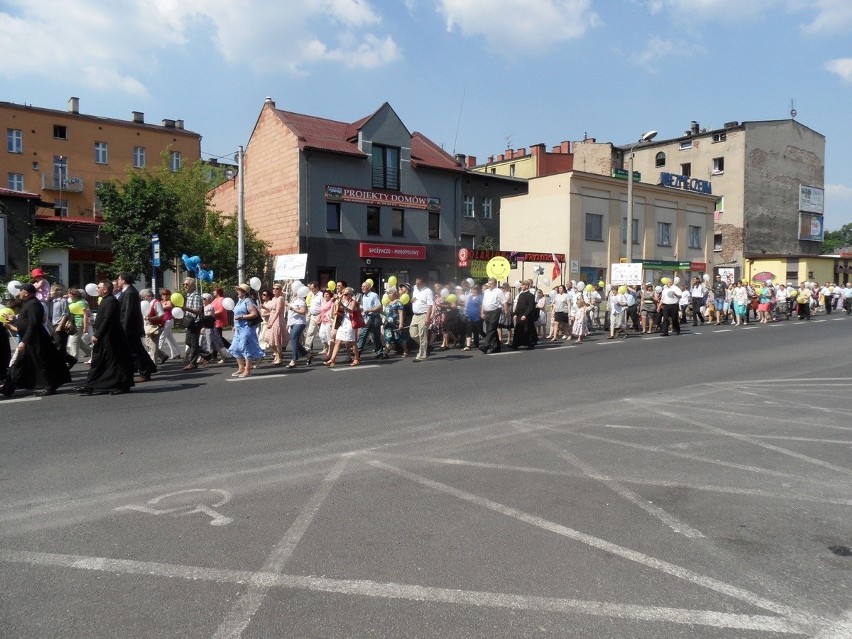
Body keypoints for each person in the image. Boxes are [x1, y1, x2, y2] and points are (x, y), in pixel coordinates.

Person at [0, 283, 72, 397]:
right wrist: (14, 319)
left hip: (36, 340)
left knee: (42, 363)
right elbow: (25, 321)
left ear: (26, 292)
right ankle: (8, 388)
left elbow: (34, 324)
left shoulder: (33, 304)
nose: (19, 293)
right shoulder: (28, 303)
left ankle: (50, 386)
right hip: (30, 339)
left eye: (21, 291)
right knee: (19, 364)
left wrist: (24, 341)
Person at [77, 280, 135, 395]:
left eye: (99, 287)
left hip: (112, 337)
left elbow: (107, 319)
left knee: (116, 362)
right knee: (98, 361)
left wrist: (97, 334)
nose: (97, 289)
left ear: (105, 289)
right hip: (105, 336)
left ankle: (122, 385)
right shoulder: (106, 300)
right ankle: (90, 385)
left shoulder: (111, 301)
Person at [117, 272, 157, 383]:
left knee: (136, 351)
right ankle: (148, 368)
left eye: (119, 279)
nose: (118, 281)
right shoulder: (127, 292)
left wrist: (124, 329)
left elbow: (129, 312)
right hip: (130, 327)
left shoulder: (130, 292)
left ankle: (145, 372)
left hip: (131, 328)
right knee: (137, 350)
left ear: (124, 280)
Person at [229, 284, 265, 377]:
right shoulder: (239, 301)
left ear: (244, 292)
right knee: (236, 348)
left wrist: (242, 317)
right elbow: (235, 315)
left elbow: (254, 314)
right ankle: (241, 368)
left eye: (239, 290)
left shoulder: (248, 301)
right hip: (238, 329)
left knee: (246, 348)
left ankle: (247, 370)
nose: (237, 291)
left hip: (246, 328)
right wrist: (235, 325)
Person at [325, 287, 360, 367]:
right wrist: (338, 313)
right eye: (344, 294)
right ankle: (333, 359)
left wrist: (342, 306)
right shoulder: (344, 301)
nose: (344, 295)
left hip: (350, 324)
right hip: (343, 323)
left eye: (346, 294)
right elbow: (344, 314)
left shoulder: (353, 302)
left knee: (352, 342)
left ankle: (357, 358)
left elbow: (351, 311)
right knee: (337, 341)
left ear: (351, 295)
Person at [180, 277, 209, 370]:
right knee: (188, 342)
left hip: (195, 322)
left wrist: (186, 309)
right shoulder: (189, 295)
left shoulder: (196, 296)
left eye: (186, 284)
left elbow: (198, 311)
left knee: (193, 343)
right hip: (190, 321)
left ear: (193, 286)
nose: (185, 286)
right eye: (183, 284)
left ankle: (193, 363)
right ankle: (207, 355)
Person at [356, 280, 383, 358]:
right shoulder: (363, 296)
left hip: (374, 317)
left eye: (364, 286)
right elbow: (363, 308)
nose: (362, 288)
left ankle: (379, 352)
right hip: (366, 317)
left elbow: (378, 306)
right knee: (362, 334)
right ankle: (358, 352)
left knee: (375, 336)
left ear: (369, 287)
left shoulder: (374, 295)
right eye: (362, 286)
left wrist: (369, 310)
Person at [410, 276, 434, 361]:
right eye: (416, 283)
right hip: (415, 315)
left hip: (423, 314)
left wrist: (428, 317)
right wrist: (412, 300)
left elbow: (429, 304)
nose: (417, 284)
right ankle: (426, 346)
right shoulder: (415, 289)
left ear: (423, 283)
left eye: (419, 283)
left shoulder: (428, 291)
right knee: (413, 334)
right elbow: (414, 300)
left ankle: (422, 355)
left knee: (422, 335)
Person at [140, 288, 167, 365]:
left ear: (148, 296)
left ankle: (153, 363)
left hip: (155, 326)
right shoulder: (147, 303)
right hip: (148, 326)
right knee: (148, 344)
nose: (143, 299)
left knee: (153, 345)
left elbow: (161, 315)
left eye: (143, 297)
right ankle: (163, 356)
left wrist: (150, 318)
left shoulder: (156, 303)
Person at [66, 288, 92, 362]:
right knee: (79, 342)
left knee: (74, 342)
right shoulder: (73, 301)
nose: (68, 295)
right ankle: (93, 354)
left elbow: (85, 315)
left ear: (75, 295)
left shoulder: (82, 302)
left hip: (79, 324)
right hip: (73, 324)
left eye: (69, 293)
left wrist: (85, 327)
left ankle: (73, 359)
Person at [264, 283, 287, 365]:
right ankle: (278, 354)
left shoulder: (280, 298)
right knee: (268, 338)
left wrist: (271, 322)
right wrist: (263, 307)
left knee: (277, 341)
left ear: (280, 290)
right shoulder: (273, 298)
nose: (274, 290)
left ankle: (279, 357)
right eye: (273, 288)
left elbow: (277, 312)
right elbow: (271, 310)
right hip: (272, 319)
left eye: (277, 289)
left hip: (277, 320)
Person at [479, 278, 504, 354]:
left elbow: (504, 301)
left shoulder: (498, 291)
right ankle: (497, 347)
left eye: (491, 284)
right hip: (487, 312)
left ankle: (485, 346)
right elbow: (484, 302)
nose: (489, 285)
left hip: (495, 311)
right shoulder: (486, 291)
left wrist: (506, 312)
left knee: (491, 328)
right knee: (491, 329)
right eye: (488, 283)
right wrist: (482, 312)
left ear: (495, 284)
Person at [511, 279, 537, 349]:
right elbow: (518, 305)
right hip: (519, 315)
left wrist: (525, 315)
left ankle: (530, 344)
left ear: (526, 286)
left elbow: (530, 307)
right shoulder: (521, 295)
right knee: (518, 329)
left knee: (527, 330)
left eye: (523, 285)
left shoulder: (530, 295)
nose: (521, 286)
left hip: (527, 316)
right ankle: (515, 344)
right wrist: (515, 314)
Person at [286, 289, 309, 367]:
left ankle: (294, 360)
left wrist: (292, 308)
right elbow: (290, 314)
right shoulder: (293, 300)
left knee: (294, 340)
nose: (293, 292)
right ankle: (307, 355)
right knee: (294, 340)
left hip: (299, 323)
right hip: (292, 323)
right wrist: (288, 323)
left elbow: (303, 312)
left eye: (294, 291)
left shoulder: (301, 300)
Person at [157, 289, 182, 360]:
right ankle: (177, 353)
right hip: (163, 321)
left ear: (169, 295)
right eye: (163, 294)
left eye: (166, 294)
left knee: (162, 337)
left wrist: (159, 307)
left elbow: (168, 307)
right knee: (170, 339)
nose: (165, 296)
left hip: (168, 320)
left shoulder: (169, 302)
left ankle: (157, 353)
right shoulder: (161, 302)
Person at [381, 286, 404, 359]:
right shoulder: (388, 303)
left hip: (395, 323)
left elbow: (401, 314)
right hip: (388, 324)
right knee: (388, 338)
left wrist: (401, 323)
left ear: (395, 294)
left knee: (399, 338)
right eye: (388, 293)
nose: (388, 295)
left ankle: (405, 350)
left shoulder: (398, 303)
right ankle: (385, 354)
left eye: (390, 293)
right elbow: (386, 314)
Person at [303, 281, 323, 363]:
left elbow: (324, 307)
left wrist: (320, 316)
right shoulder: (312, 295)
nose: (311, 290)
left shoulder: (321, 295)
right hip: (312, 316)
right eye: (310, 288)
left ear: (317, 287)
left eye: (312, 288)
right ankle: (307, 350)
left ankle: (328, 349)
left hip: (320, 316)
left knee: (323, 335)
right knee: (310, 333)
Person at [463, 284, 483, 350]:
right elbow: (468, 305)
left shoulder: (480, 297)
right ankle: (468, 346)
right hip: (469, 316)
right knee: (469, 331)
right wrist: (466, 312)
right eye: (472, 291)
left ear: (477, 291)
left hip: (477, 316)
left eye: (474, 291)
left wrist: (482, 313)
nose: (473, 292)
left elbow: (482, 306)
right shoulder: (470, 297)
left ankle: (486, 341)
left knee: (479, 331)